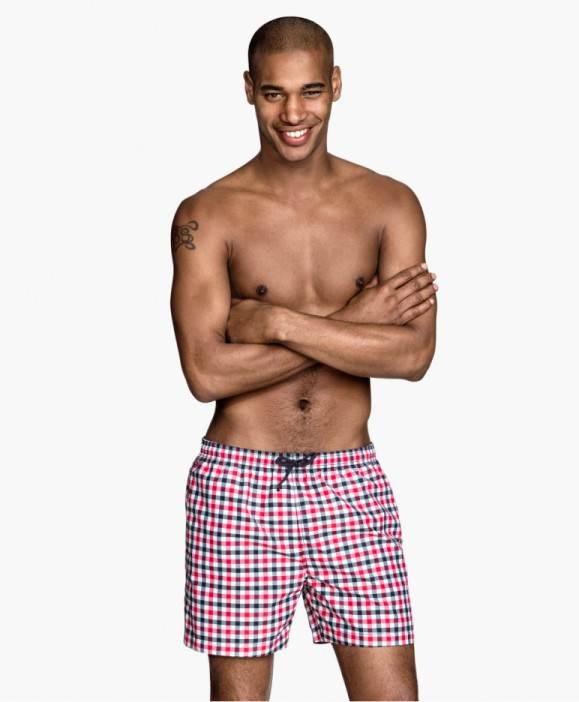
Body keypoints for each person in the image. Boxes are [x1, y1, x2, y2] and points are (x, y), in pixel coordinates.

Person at [170, 15, 437, 701]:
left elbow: (412, 354)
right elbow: (206, 373)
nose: (294, 114)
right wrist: (355, 322)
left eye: (310, 91)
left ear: (336, 85)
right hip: (239, 485)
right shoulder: (207, 215)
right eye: (274, 93)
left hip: (351, 481)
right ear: (248, 89)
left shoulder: (390, 204)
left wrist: (276, 323)